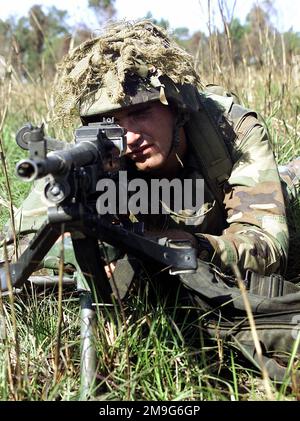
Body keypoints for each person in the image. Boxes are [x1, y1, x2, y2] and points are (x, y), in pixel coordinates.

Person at [1, 20, 296, 292]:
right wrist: (81, 251)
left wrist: (195, 247)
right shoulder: (91, 154)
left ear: (177, 106)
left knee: (290, 184)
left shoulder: (234, 131)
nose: (127, 137)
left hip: (254, 198)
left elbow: (269, 247)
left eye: (141, 113)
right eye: (110, 121)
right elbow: (13, 248)